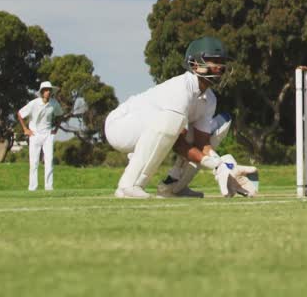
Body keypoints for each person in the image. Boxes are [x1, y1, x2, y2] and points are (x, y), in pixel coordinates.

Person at [103, 36, 255, 199]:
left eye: (222, 62)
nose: (220, 67)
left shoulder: (210, 99)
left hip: (155, 126)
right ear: (195, 64)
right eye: (213, 61)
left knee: (217, 127)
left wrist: (224, 166)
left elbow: (201, 143)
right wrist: (214, 166)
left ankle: (173, 187)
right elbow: (178, 143)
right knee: (172, 122)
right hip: (120, 126)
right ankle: (129, 186)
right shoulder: (181, 88)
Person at [16, 81, 63, 191]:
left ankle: (49, 187)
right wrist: (25, 129)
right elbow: (20, 114)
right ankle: (33, 187)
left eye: (49, 90)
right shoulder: (34, 103)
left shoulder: (54, 103)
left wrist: (56, 129)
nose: (48, 92)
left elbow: (60, 115)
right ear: (42, 92)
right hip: (35, 134)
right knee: (34, 162)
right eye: (46, 90)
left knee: (49, 160)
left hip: (48, 134)